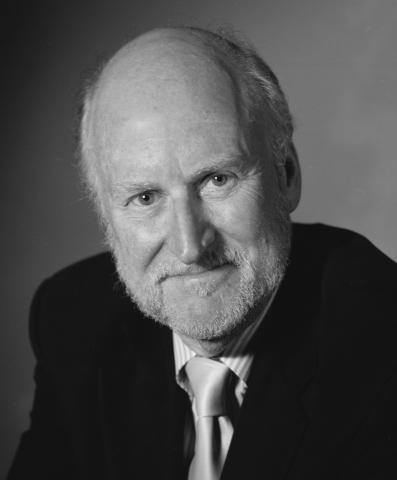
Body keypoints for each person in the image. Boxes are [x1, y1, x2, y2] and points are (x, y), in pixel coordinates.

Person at [8, 26, 397, 480]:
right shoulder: (75, 321)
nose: (191, 247)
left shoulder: (381, 346)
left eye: (217, 179)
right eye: (146, 197)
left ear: (286, 175)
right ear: (104, 214)